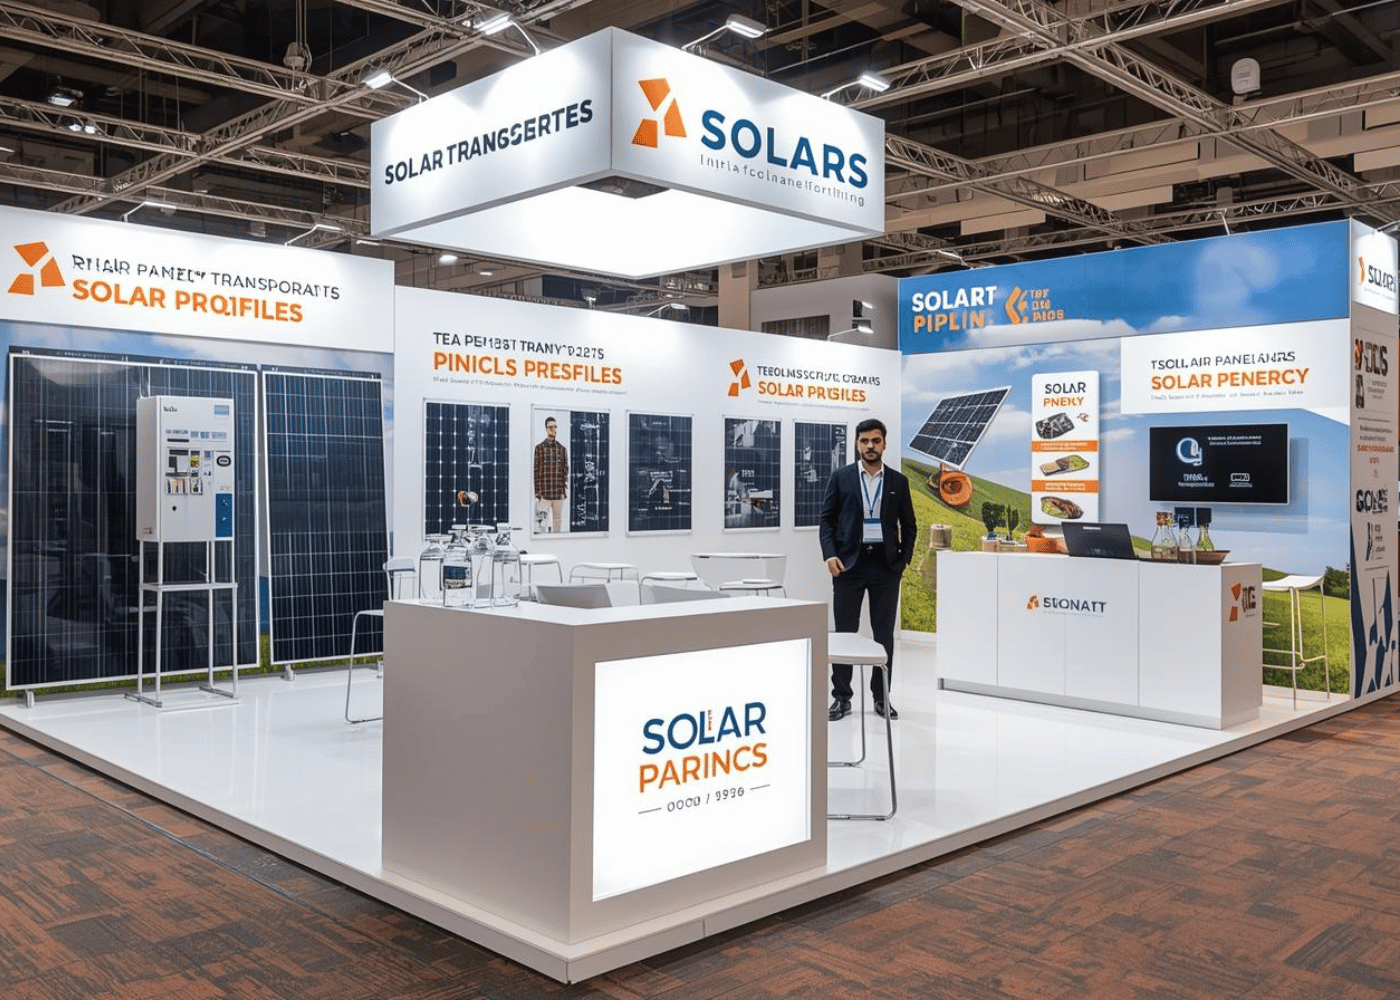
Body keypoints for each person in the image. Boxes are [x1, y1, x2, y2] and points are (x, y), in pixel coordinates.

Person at [819, 418, 917, 721]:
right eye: (865, 441)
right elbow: (827, 520)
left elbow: (909, 525)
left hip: (886, 567)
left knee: (883, 634)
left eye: (876, 440)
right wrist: (830, 555)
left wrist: (903, 560)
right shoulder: (841, 477)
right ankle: (841, 698)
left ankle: (881, 697)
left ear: (884, 443)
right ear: (857, 444)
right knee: (844, 633)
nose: (870, 446)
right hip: (848, 566)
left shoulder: (898, 482)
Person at [533, 416, 568, 533]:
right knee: (541, 524)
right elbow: (536, 471)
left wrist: (563, 491)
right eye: (551, 427)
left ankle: (557, 542)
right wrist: (538, 493)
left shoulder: (562, 449)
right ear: (546, 429)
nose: (553, 429)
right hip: (544, 493)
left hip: (558, 493)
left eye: (555, 427)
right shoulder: (539, 448)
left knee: (557, 522)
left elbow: (565, 470)